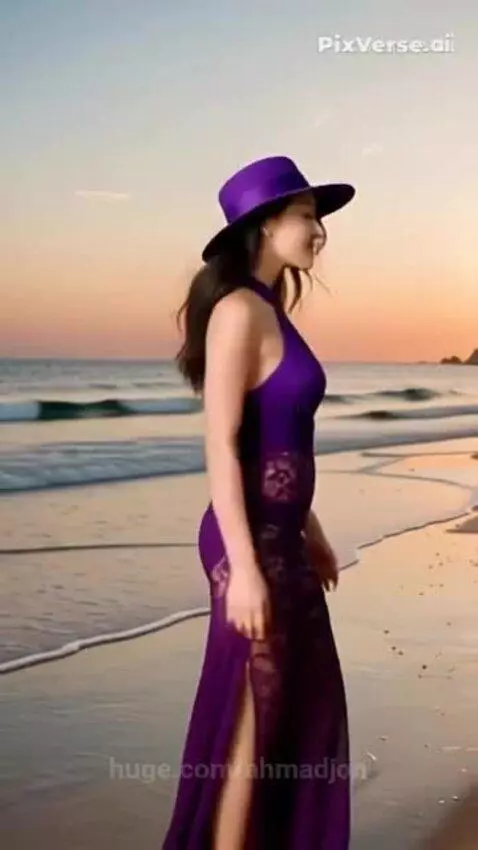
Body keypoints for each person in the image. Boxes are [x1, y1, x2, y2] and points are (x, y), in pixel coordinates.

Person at [161, 155, 356, 849]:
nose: (319, 230)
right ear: (265, 224)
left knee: (296, 709)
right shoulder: (238, 311)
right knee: (253, 713)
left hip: (282, 538)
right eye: (306, 216)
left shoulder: (272, 311)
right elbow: (222, 444)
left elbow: (280, 439)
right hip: (246, 543)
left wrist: (312, 529)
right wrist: (243, 568)